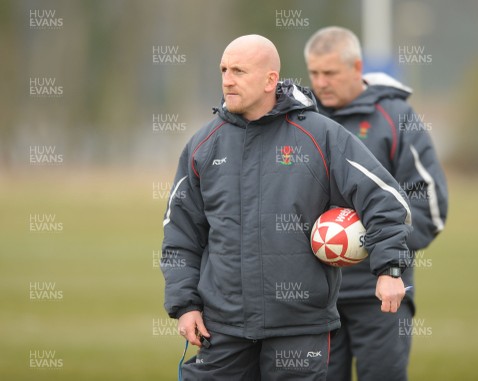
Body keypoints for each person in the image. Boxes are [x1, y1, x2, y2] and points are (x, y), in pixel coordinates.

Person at [160, 34, 414, 381]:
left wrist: (389, 267)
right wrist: (185, 304)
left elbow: (385, 197)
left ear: (270, 80)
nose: (227, 80)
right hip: (221, 326)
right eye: (223, 70)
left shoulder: (320, 136)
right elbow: (180, 233)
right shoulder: (203, 145)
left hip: (299, 326)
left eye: (239, 70)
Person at [304, 27, 449, 381]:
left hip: (382, 293)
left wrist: (371, 244)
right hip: (315, 296)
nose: (320, 83)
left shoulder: (395, 116)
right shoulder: (300, 120)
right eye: (314, 73)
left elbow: (429, 204)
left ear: (357, 68)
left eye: (330, 73)